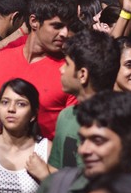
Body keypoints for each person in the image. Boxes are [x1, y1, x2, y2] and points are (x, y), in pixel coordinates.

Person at [0, 0, 77, 140]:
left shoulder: (69, 71)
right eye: (57, 26)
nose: (65, 33)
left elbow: (71, 138)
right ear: (34, 21)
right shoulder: (1, 61)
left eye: (69, 27)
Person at [49, 29, 120, 171]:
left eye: (67, 64)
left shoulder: (118, 122)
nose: (61, 70)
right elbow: (55, 170)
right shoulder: (66, 116)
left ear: (82, 74)